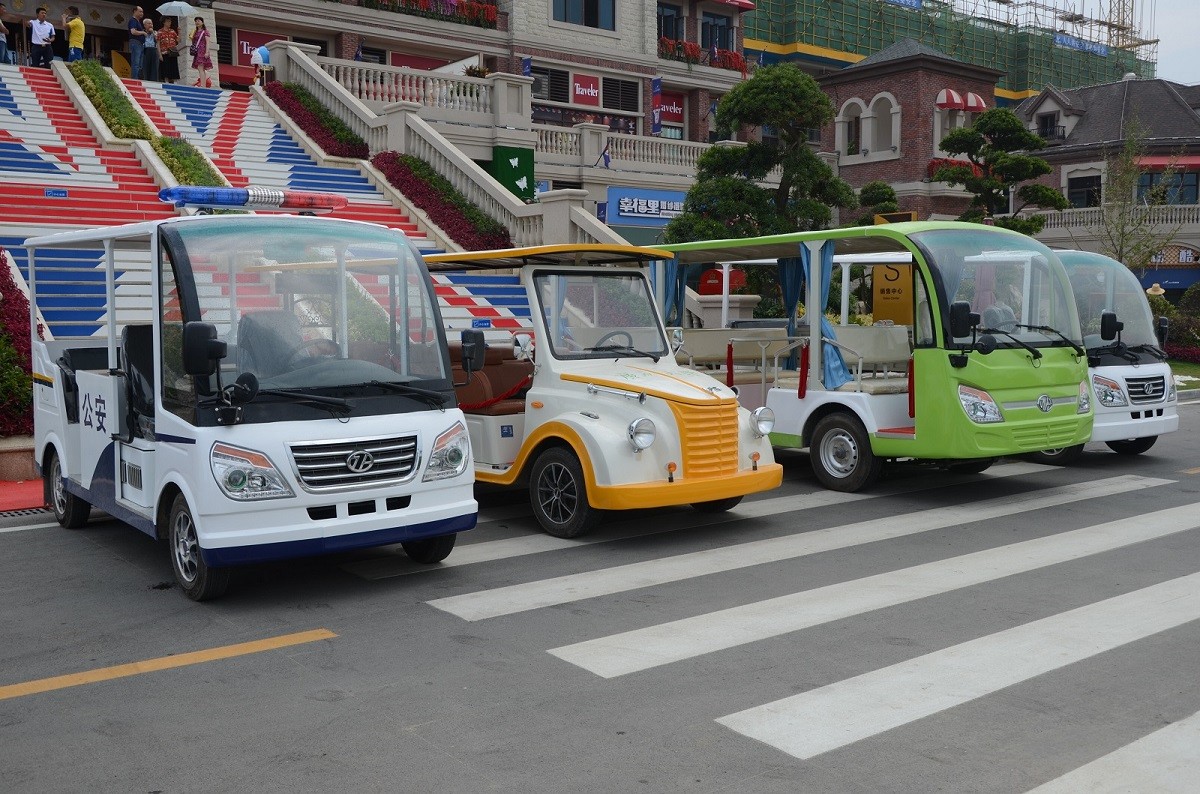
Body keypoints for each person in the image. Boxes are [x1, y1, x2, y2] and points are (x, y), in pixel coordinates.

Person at [189, 16, 211, 87]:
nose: (197, 22)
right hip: (197, 51)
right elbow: (194, 42)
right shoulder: (195, 31)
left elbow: (207, 42)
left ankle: (202, 85)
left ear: (202, 22)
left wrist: (207, 52)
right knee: (200, 68)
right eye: (196, 21)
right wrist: (191, 37)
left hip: (202, 50)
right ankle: (203, 84)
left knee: (201, 67)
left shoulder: (205, 32)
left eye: (199, 21)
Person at [158, 16, 179, 83]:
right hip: (164, 52)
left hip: (172, 52)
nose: (170, 23)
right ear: (164, 22)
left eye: (170, 21)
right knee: (165, 68)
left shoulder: (172, 31)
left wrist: (179, 32)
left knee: (173, 68)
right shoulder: (160, 32)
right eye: (168, 21)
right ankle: (166, 81)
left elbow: (178, 40)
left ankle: (174, 82)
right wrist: (160, 54)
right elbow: (158, 43)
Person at [127, 6, 145, 78]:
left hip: (140, 44)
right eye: (140, 11)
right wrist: (143, 33)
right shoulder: (133, 20)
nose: (142, 13)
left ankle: (138, 78)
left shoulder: (138, 22)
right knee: (136, 62)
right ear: (135, 11)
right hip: (135, 42)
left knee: (140, 64)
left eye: (142, 12)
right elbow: (133, 31)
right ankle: (135, 79)